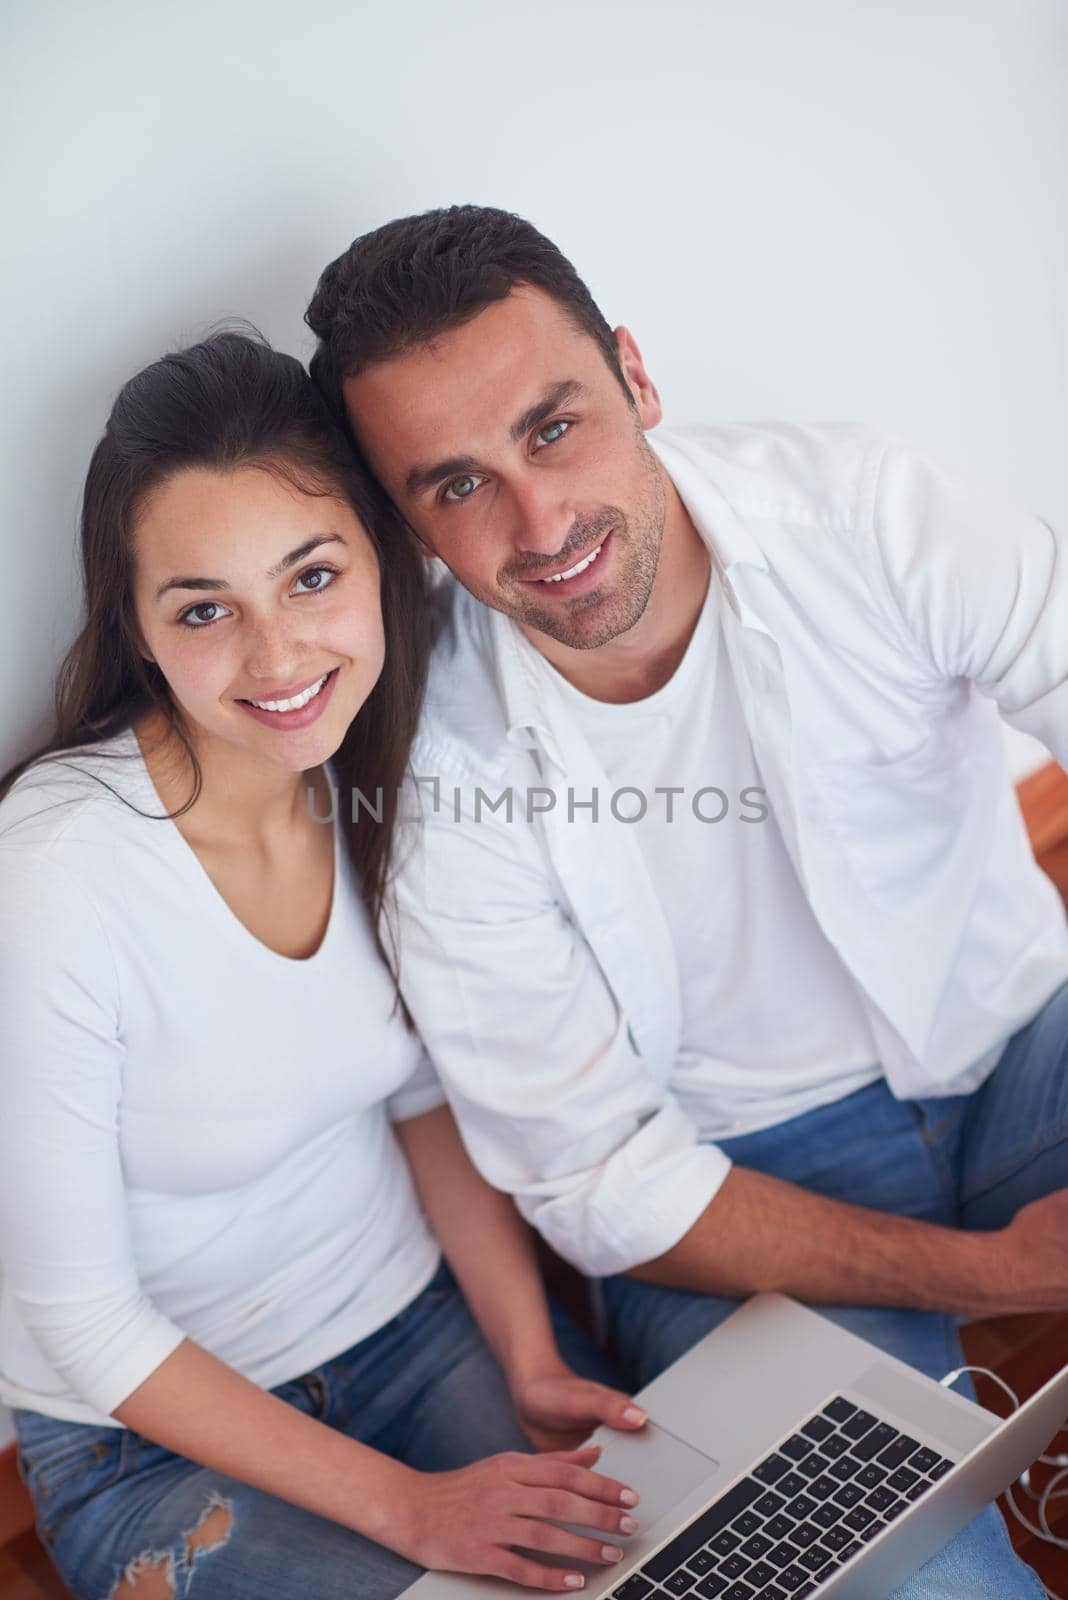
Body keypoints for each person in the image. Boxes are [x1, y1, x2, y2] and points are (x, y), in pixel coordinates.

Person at [304, 205, 1068, 1597]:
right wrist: (990, 1277)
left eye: (554, 427)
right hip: (742, 1191)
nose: (540, 525)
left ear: (637, 380)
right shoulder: (426, 782)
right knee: (913, 1578)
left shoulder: (865, 510)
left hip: (1024, 1042)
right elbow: (605, 1182)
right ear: (408, 526)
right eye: (456, 485)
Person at [0, 330, 651, 1600]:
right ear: (135, 628)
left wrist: (524, 1352)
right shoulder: (53, 875)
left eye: (311, 578)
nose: (278, 656)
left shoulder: (378, 770)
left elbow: (414, 1097)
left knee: (659, 1573)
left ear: (382, 560)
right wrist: (413, 1512)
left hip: (417, 1327)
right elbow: (83, 1324)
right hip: (143, 1442)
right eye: (204, 609)